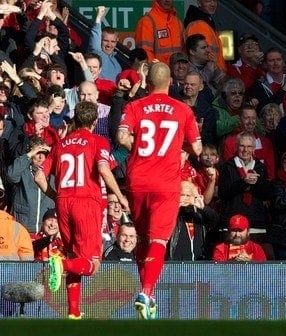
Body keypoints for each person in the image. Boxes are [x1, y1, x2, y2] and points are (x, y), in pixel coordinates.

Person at [117, 62, 202, 320]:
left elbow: (121, 137)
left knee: (142, 240)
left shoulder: (134, 106)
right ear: (171, 83)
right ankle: (146, 291)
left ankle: (148, 300)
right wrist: (178, 149)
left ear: (148, 82)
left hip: (138, 180)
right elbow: (198, 149)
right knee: (158, 240)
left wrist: (142, 148)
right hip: (165, 183)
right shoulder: (183, 109)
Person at [34, 101, 129, 319]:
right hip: (86, 203)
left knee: (75, 255)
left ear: (75, 119)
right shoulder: (97, 141)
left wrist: (56, 196)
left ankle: (74, 312)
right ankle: (61, 264)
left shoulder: (60, 144)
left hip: (63, 203)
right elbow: (104, 168)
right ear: (95, 121)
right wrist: (121, 196)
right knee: (92, 265)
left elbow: (39, 176)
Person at [5, 136, 55, 233]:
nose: (41, 157)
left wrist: (52, 150)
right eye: (37, 153)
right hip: (23, 228)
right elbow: (11, 175)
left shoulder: (52, 173)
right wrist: (30, 153)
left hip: (45, 229)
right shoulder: (23, 171)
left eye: (44, 153)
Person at [167, 180, 218, 261]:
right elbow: (163, 224)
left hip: (199, 263)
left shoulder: (199, 216)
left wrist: (203, 208)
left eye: (188, 195)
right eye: (182, 195)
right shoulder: (172, 214)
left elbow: (214, 220)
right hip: (176, 264)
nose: (185, 198)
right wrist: (174, 208)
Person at [134, 0, 185, 64]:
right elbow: (145, 56)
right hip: (156, 72)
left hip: (178, 72)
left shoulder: (178, 22)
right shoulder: (147, 22)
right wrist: (157, 71)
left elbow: (183, 53)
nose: (167, 0)